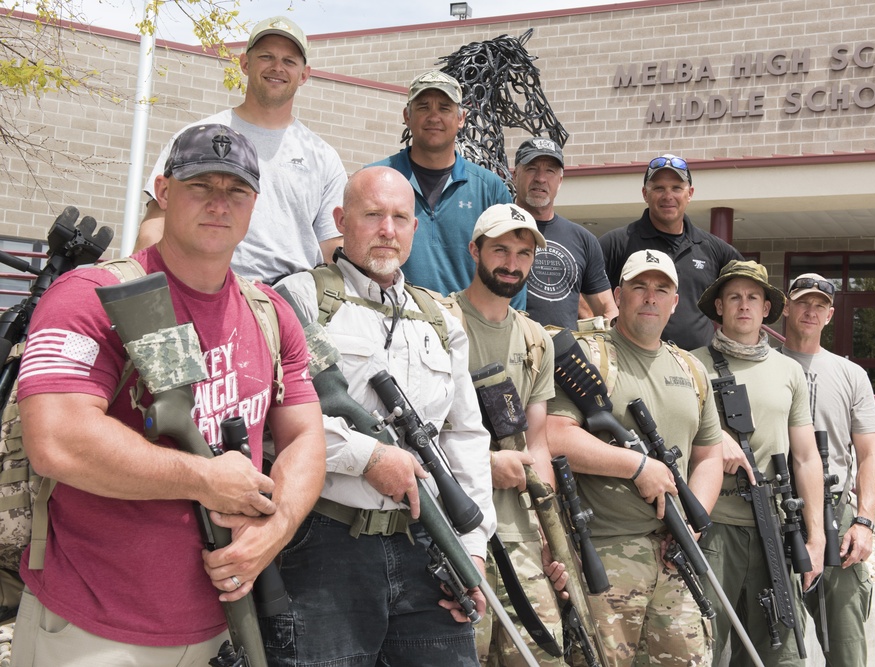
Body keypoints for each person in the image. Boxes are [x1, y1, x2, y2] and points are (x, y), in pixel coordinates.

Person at [10, 123, 326, 666]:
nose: (219, 204)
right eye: (201, 185)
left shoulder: (271, 313)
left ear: (255, 205)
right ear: (163, 189)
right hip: (97, 630)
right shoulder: (93, 296)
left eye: (236, 191)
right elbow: (56, 440)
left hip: (222, 627)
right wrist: (205, 479)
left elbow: (305, 435)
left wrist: (278, 523)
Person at [265, 166, 497, 666]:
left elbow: (465, 437)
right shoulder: (300, 299)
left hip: (428, 543)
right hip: (326, 542)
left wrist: (472, 548)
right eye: (372, 215)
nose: (387, 229)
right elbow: (277, 419)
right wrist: (366, 457)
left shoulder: (440, 318)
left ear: (415, 228)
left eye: (399, 217)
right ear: (340, 220)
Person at [546, 249, 725, 666]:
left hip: (675, 556)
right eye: (639, 287)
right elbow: (554, 437)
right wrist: (638, 466)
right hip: (606, 556)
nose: (650, 297)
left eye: (661, 289)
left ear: (675, 302)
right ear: (618, 294)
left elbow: (710, 455)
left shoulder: (692, 369)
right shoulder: (589, 356)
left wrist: (693, 524)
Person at [137, 16, 347, 284]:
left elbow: (332, 248)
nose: (277, 67)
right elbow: (155, 226)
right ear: (245, 63)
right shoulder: (197, 138)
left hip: (291, 305)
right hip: (203, 290)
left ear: (304, 74)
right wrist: (143, 294)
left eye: (289, 61)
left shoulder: (322, 156)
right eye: (266, 56)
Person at [689, 260, 825, 667]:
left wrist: (815, 537)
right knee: (700, 646)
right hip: (713, 529)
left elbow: (804, 456)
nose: (743, 305)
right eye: (734, 297)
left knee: (780, 652)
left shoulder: (789, 371)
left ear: (767, 308)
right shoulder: (690, 363)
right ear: (719, 307)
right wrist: (715, 444)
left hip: (776, 530)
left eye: (753, 298)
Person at [445, 203, 562, 666]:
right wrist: (484, 464)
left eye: (524, 254)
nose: (512, 264)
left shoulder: (537, 339)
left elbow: (539, 445)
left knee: (543, 654)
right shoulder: (438, 320)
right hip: (452, 534)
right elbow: (416, 431)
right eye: (500, 250)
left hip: (519, 536)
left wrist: (553, 538)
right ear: (475, 250)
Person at [779, 273, 875, 667]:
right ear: (786, 307)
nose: (810, 310)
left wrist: (865, 521)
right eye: (803, 302)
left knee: (846, 644)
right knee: (775, 640)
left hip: (834, 511)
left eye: (819, 305)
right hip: (771, 514)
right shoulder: (763, 364)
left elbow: (870, 453)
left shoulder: (851, 374)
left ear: (830, 315)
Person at [371, 70, 518, 307]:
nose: (433, 116)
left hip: (469, 331)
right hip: (389, 323)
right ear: (407, 116)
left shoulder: (490, 189)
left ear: (461, 118)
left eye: (444, 108)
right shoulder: (376, 180)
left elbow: (513, 265)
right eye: (423, 107)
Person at [599, 154, 743, 350]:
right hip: (634, 364)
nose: (668, 196)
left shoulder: (713, 248)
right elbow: (581, 289)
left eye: (676, 188)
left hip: (699, 369)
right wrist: (610, 319)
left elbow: (750, 289)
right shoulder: (617, 243)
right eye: (659, 188)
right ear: (645, 194)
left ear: (690, 193)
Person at [513, 138, 617, 329]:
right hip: (508, 350)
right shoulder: (496, 229)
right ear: (515, 175)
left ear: (560, 181)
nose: (541, 178)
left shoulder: (583, 239)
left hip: (565, 356)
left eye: (550, 171)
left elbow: (607, 308)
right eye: (531, 168)